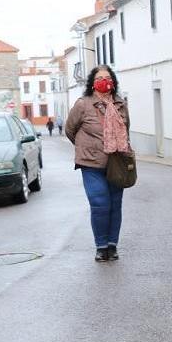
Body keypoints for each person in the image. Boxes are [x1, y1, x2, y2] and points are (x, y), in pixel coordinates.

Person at [65, 65, 132, 262]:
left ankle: (113, 245)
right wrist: (87, 148)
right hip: (91, 163)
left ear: (113, 81)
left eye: (107, 77)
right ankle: (101, 246)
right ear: (92, 82)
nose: (104, 80)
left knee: (115, 204)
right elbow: (70, 130)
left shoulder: (120, 103)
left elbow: (126, 129)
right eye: (100, 77)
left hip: (117, 161)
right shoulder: (82, 104)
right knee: (99, 203)